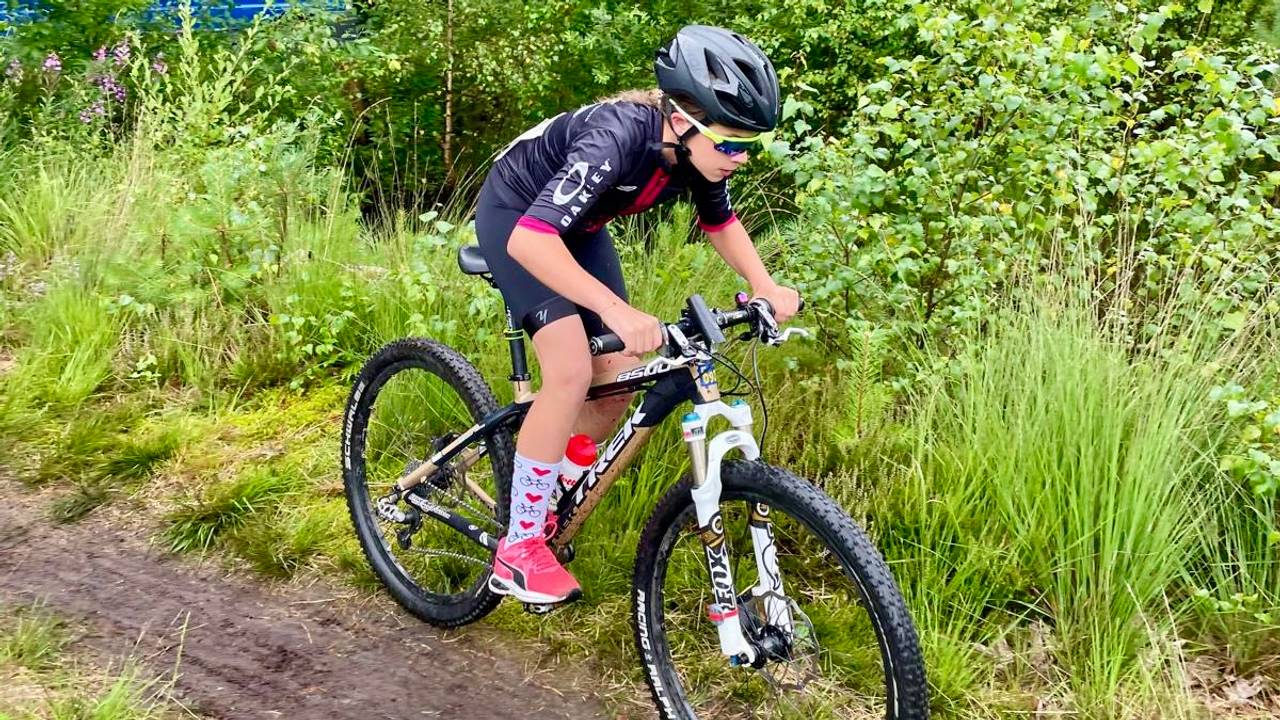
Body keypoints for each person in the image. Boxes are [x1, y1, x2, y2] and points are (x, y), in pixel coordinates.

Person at [477, 25, 801, 604]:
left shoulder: (696, 157)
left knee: (621, 374)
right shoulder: (617, 138)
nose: (741, 157)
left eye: (749, 143)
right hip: (518, 217)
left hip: (578, 228)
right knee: (573, 370)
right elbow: (532, 241)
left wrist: (765, 286)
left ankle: (554, 480)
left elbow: (720, 223)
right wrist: (613, 308)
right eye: (730, 144)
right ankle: (519, 549)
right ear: (681, 121)